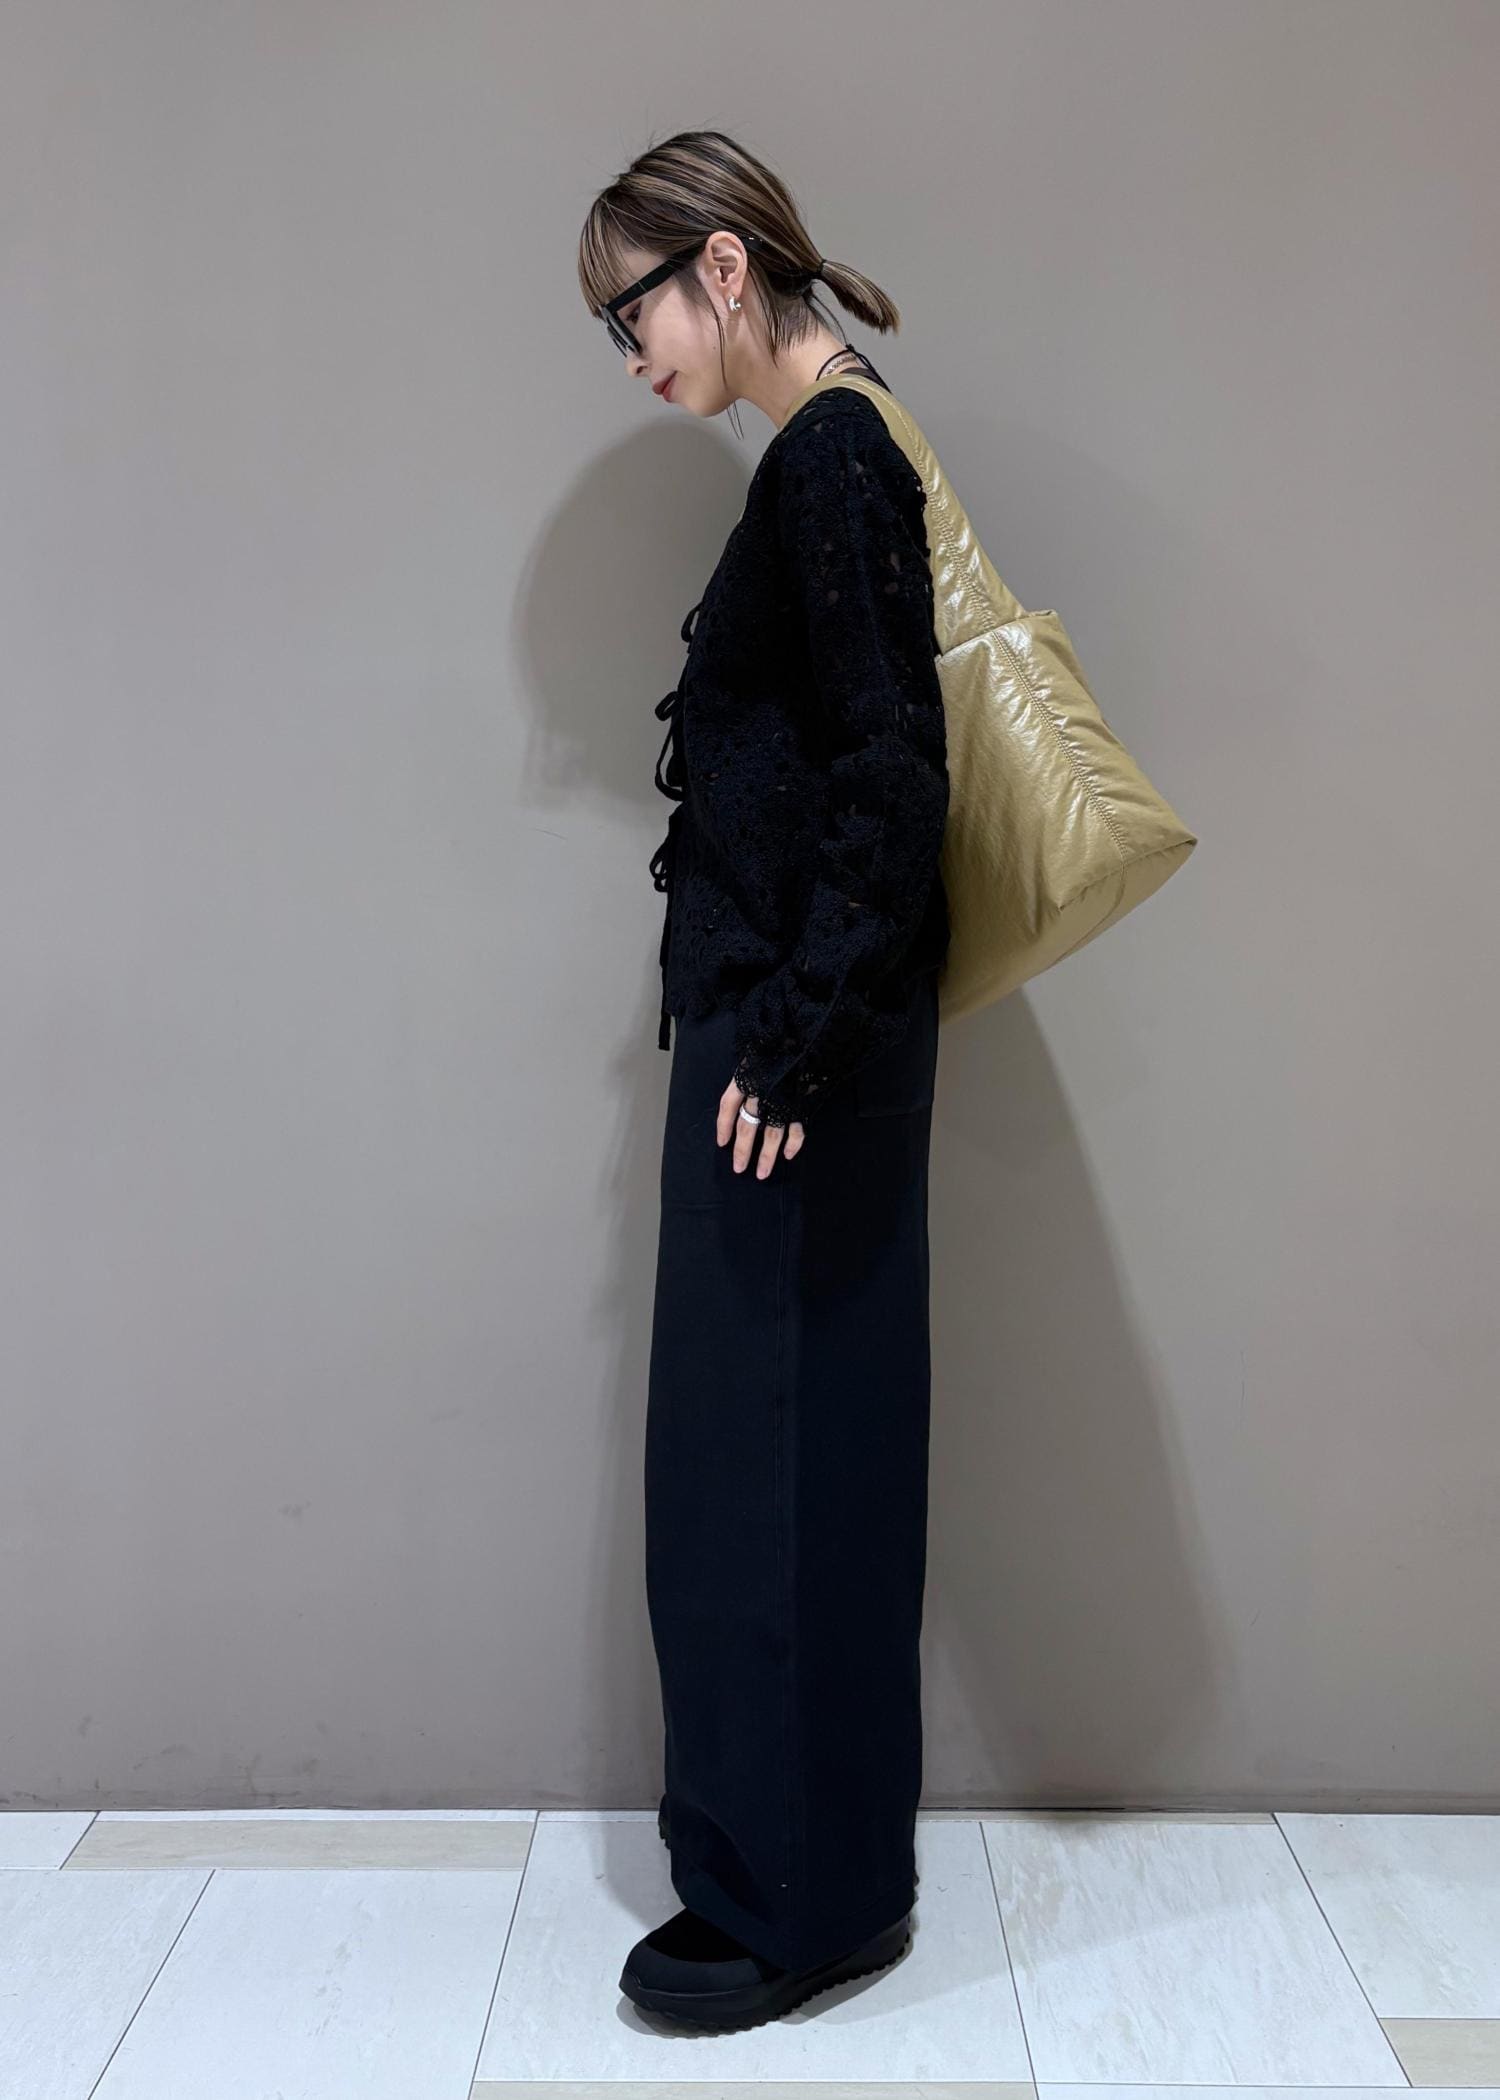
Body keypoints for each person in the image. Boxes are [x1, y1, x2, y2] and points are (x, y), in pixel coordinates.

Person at [578, 128, 950, 2034]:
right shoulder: (832, 451)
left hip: (799, 1052)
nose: (629, 352)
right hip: (794, 1035)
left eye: (630, 308)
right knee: (780, 1462)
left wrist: (797, 1039)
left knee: (772, 1473)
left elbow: (893, 771)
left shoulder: (831, 458)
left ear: (721, 268)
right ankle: (815, 1875)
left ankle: (797, 1904)